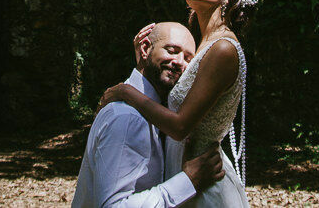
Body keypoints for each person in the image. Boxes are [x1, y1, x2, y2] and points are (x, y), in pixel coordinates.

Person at [99, 0, 257, 207]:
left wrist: (125, 91)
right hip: (183, 175)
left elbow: (180, 125)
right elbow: (171, 98)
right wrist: (144, 64)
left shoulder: (223, 49)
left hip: (204, 180)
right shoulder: (205, 45)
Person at [72, 21, 226, 207]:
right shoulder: (128, 118)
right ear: (144, 49)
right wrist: (188, 181)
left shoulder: (155, 112)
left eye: (188, 58)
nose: (179, 62)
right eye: (171, 50)